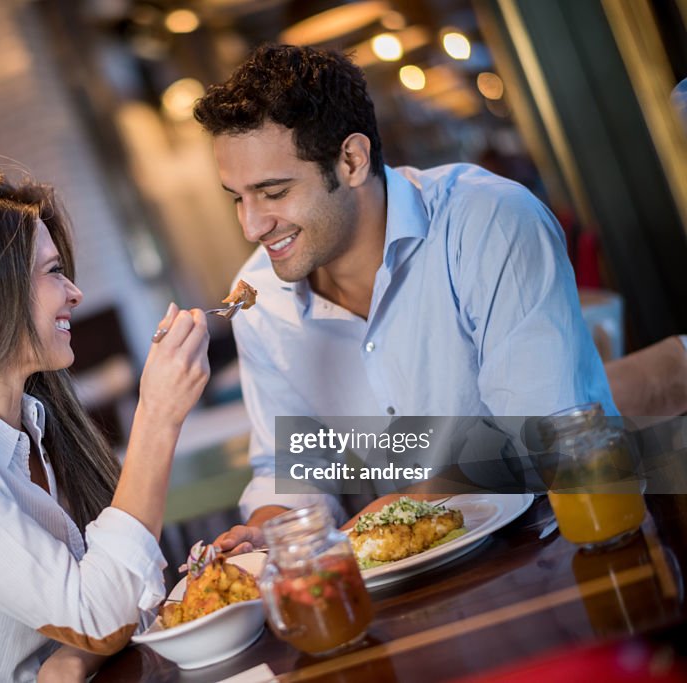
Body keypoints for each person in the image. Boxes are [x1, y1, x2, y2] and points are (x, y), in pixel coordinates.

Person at [191, 45, 616, 552]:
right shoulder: (261, 301)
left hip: (565, 538)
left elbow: (542, 434)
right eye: (238, 197)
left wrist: (395, 509)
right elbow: (292, 466)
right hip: (416, 580)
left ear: (351, 160)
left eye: (274, 192)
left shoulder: (488, 221)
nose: (251, 225)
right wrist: (270, 528)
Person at [0, 173, 210, 682]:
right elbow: (99, 617)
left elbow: (119, 595)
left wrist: (69, 659)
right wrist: (157, 416)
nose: (75, 293)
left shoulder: (33, 424)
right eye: (53, 272)